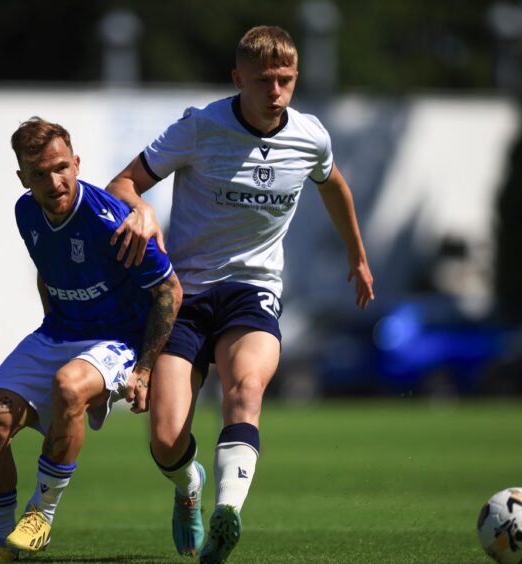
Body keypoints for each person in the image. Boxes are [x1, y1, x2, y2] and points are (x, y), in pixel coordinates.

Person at [106, 26, 374, 563]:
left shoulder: (310, 136)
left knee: (245, 390)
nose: (276, 91)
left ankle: (229, 513)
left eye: (285, 80)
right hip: (182, 297)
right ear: (238, 79)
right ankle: (190, 488)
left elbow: (335, 185)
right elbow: (123, 184)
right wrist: (142, 209)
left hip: (253, 293)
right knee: (164, 438)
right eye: (264, 80)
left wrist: (358, 256)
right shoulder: (200, 128)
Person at [0, 117, 182, 563]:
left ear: (77, 163)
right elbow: (49, 271)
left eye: (61, 167)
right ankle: (3, 544)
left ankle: (41, 513)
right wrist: (54, 329)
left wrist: (144, 369)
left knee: (68, 385)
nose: (53, 181)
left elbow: (169, 290)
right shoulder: (26, 212)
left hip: (117, 339)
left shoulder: (111, 221)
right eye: (39, 174)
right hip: (59, 332)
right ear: (23, 178)